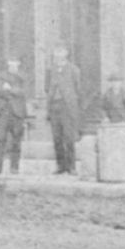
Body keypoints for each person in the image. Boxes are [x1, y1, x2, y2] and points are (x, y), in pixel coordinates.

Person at [46, 46, 82, 176]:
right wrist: (49, 107)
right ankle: (60, 165)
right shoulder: (51, 70)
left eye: (61, 51)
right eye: (56, 52)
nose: (58, 55)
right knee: (57, 138)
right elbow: (47, 88)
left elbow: (77, 89)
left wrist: (72, 106)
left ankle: (71, 166)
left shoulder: (73, 70)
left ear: (66, 53)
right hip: (54, 107)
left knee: (68, 137)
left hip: (67, 108)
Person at [0, 55, 29, 176]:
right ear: (7, 63)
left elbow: (24, 92)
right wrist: (13, 91)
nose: (13, 65)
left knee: (16, 141)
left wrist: (9, 89)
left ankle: (14, 167)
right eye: (11, 62)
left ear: (19, 64)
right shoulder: (1, 75)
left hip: (17, 113)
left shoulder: (23, 77)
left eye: (15, 62)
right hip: (4, 112)